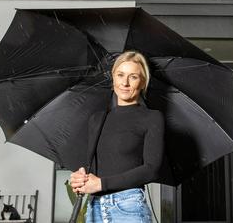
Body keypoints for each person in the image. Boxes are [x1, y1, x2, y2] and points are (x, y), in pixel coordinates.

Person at [69, 51, 164, 223]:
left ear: (143, 82)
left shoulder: (152, 117)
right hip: (94, 208)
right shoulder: (97, 118)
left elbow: (151, 169)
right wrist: (80, 179)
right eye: (120, 75)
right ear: (113, 77)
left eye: (133, 77)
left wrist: (101, 184)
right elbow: (95, 167)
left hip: (128, 207)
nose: (125, 83)